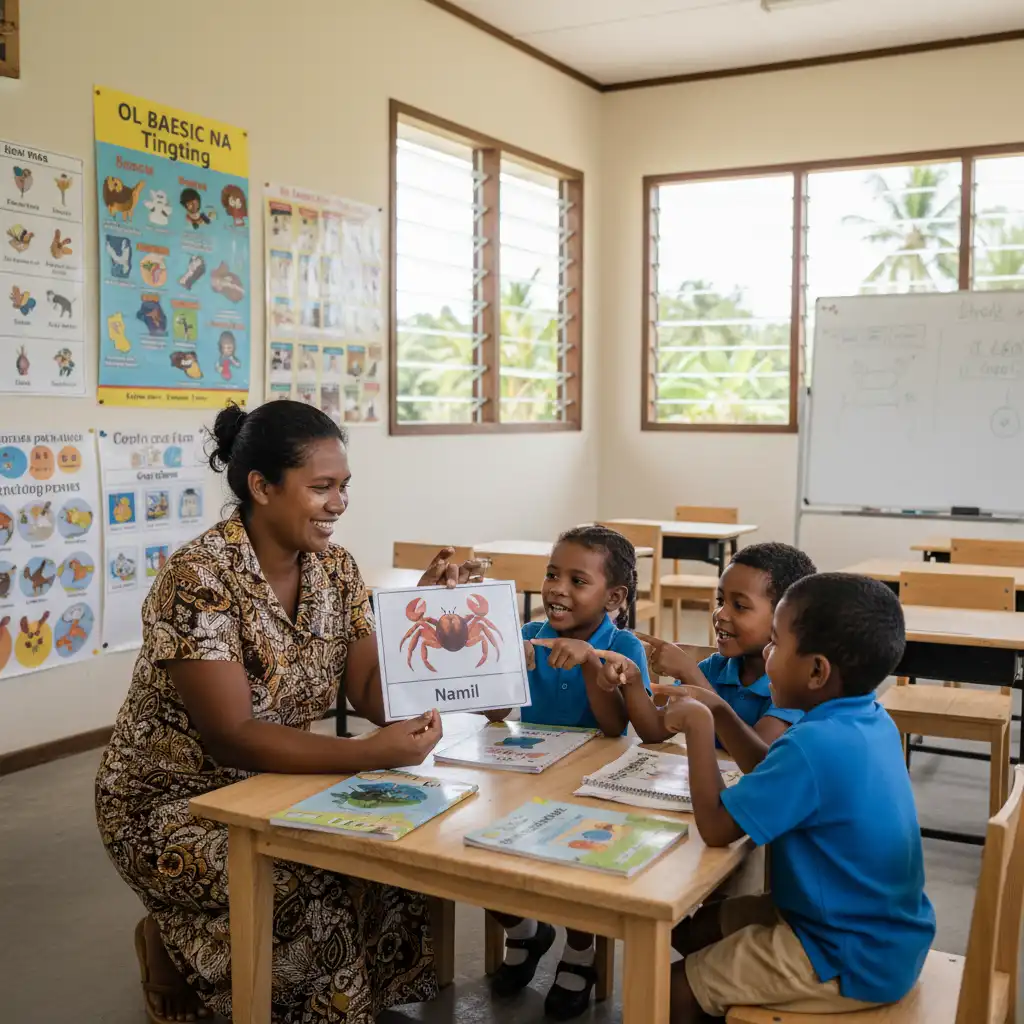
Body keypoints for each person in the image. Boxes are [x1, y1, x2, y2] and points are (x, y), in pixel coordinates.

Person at [95, 400, 482, 1024]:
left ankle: (336, 1002)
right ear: (262, 486)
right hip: (172, 804)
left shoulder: (337, 569)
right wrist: (364, 755)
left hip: (277, 781)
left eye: (344, 487)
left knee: (396, 859)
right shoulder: (200, 577)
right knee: (314, 883)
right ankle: (181, 943)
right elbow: (232, 737)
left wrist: (422, 626)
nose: (338, 504)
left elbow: (370, 694)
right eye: (321, 487)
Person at [650, 573, 935, 1023]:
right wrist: (720, 709)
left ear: (817, 670)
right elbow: (771, 772)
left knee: (666, 992)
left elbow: (718, 828)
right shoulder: (869, 719)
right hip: (882, 933)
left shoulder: (812, 745)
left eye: (776, 644)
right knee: (696, 929)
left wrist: (700, 729)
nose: (766, 653)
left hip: (841, 954)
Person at [484, 525, 653, 1020]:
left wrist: (589, 663)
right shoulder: (527, 635)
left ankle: (581, 952)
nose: (557, 588)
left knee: (582, 870)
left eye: (578, 580)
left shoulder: (624, 647)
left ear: (614, 597)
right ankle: (525, 932)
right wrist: (494, 669)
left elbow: (613, 725)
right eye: (552, 574)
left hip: (592, 787)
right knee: (472, 846)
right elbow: (497, 715)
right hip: (526, 771)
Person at [625, 542, 816, 771]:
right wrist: (633, 677)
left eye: (740, 606)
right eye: (720, 601)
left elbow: (757, 758)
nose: (721, 614)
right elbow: (654, 730)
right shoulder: (714, 669)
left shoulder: (792, 687)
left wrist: (690, 674)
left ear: (783, 618)